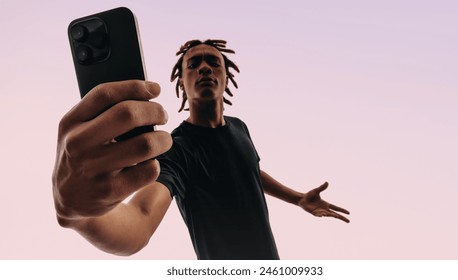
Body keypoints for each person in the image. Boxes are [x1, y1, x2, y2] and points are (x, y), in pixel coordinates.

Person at [52, 39, 350, 260]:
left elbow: (248, 170)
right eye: (193, 64)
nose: (204, 67)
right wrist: (82, 214)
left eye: (212, 61)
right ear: (182, 82)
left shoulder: (239, 128)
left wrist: (297, 198)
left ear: (226, 77)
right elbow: (139, 220)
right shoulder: (177, 149)